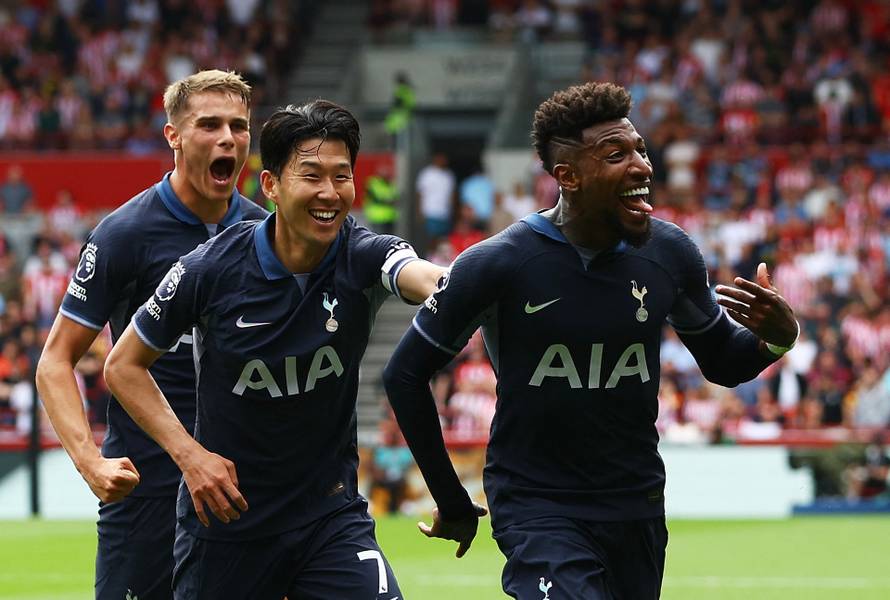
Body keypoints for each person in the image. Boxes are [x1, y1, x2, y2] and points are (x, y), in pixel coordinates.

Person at [382, 82, 799, 600]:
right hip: (537, 505)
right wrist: (450, 496)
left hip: (635, 504)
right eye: (617, 155)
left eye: (641, 150)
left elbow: (722, 361)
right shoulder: (498, 263)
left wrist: (776, 341)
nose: (642, 167)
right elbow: (404, 374)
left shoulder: (670, 254)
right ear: (568, 176)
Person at [103, 100, 476, 599]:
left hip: (328, 517)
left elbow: (421, 276)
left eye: (342, 176)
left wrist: (468, 287)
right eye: (312, 176)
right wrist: (190, 456)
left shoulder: (363, 254)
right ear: (272, 185)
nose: (330, 193)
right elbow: (122, 366)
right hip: (227, 523)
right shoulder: (209, 270)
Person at [36, 69, 266, 600]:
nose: (228, 138)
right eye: (209, 125)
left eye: (238, 126)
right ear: (173, 136)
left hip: (242, 491)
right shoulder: (125, 234)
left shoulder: (264, 233)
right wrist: (90, 462)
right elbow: (55, 362)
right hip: (148, 492)